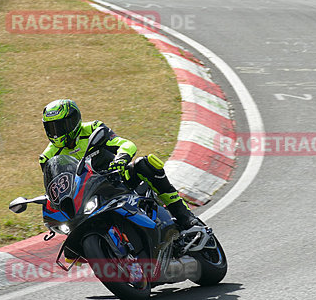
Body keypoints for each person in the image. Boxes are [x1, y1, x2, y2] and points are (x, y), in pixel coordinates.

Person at [39, 99, 203, 230]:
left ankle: (183, 214)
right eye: (52, 128)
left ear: (74, 121)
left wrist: (120, 160)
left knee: (146, 164)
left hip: (117, 178)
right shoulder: (47, 157)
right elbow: (54, 185)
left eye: (61, 126)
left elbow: (126, 144)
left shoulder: (93, 129)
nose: (57, 132)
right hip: (85, 197)